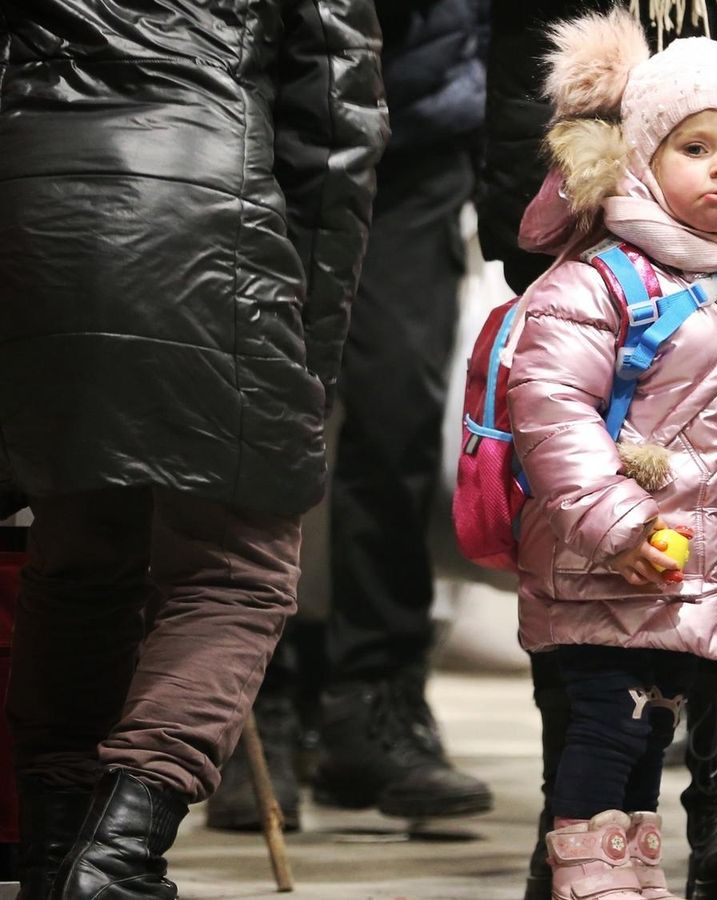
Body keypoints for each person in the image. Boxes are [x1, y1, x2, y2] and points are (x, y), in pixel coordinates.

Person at [0, 0, 386, 895]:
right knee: (239, 564)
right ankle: (120, 853)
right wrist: (310, 354)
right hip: (208, 211)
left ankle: (59, 849)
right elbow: (336, 133)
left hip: (33, 209)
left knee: (78, 548)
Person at [476, 4, 717, 898]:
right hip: (610, 563)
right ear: (642, 157)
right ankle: (589, 879)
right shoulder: (596, 279)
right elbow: (552, 413)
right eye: (694, 148)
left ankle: (628, 874)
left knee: (648, 736)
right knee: (607, 731)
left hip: (710, 579)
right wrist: (618, 525)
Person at [199, 0, 496, 834]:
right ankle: (260, 697)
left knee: (400, 415)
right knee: (262, 405)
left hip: (417, 133)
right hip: (263, 115)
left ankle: (378, 699)